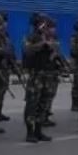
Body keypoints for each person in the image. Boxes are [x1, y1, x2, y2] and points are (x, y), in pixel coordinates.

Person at [22, 13, 57, 143]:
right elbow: (27, 50)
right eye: (42, 23)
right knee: (32, 104)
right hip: (36, 75)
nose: (45, 26)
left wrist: (50, 45)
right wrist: (41, 44)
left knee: (44, 103)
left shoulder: (49, 37)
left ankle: (39, 130)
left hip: (48, 75)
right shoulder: (30, 37)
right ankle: (30, 132)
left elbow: (55, 48)